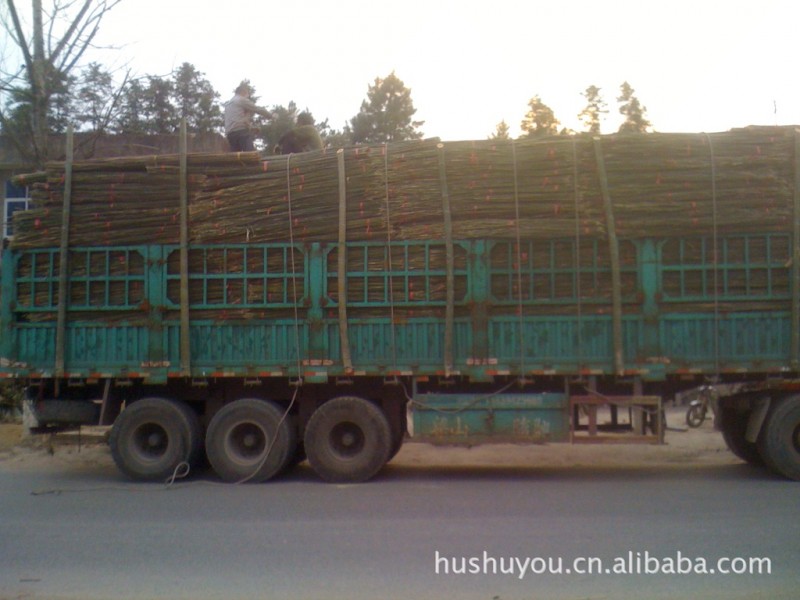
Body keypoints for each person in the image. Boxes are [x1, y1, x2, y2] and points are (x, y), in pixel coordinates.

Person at [224, 82, 272, 152]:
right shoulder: (240, 99)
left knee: (236, 157)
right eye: (247, 94)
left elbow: (238, 121)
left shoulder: (228, 104)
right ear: (243, 92)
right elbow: (257, 109)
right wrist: (270, 115)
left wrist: (252, 128)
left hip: (230, 134)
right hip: (241, 133)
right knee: (250, 154)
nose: (248, 96)